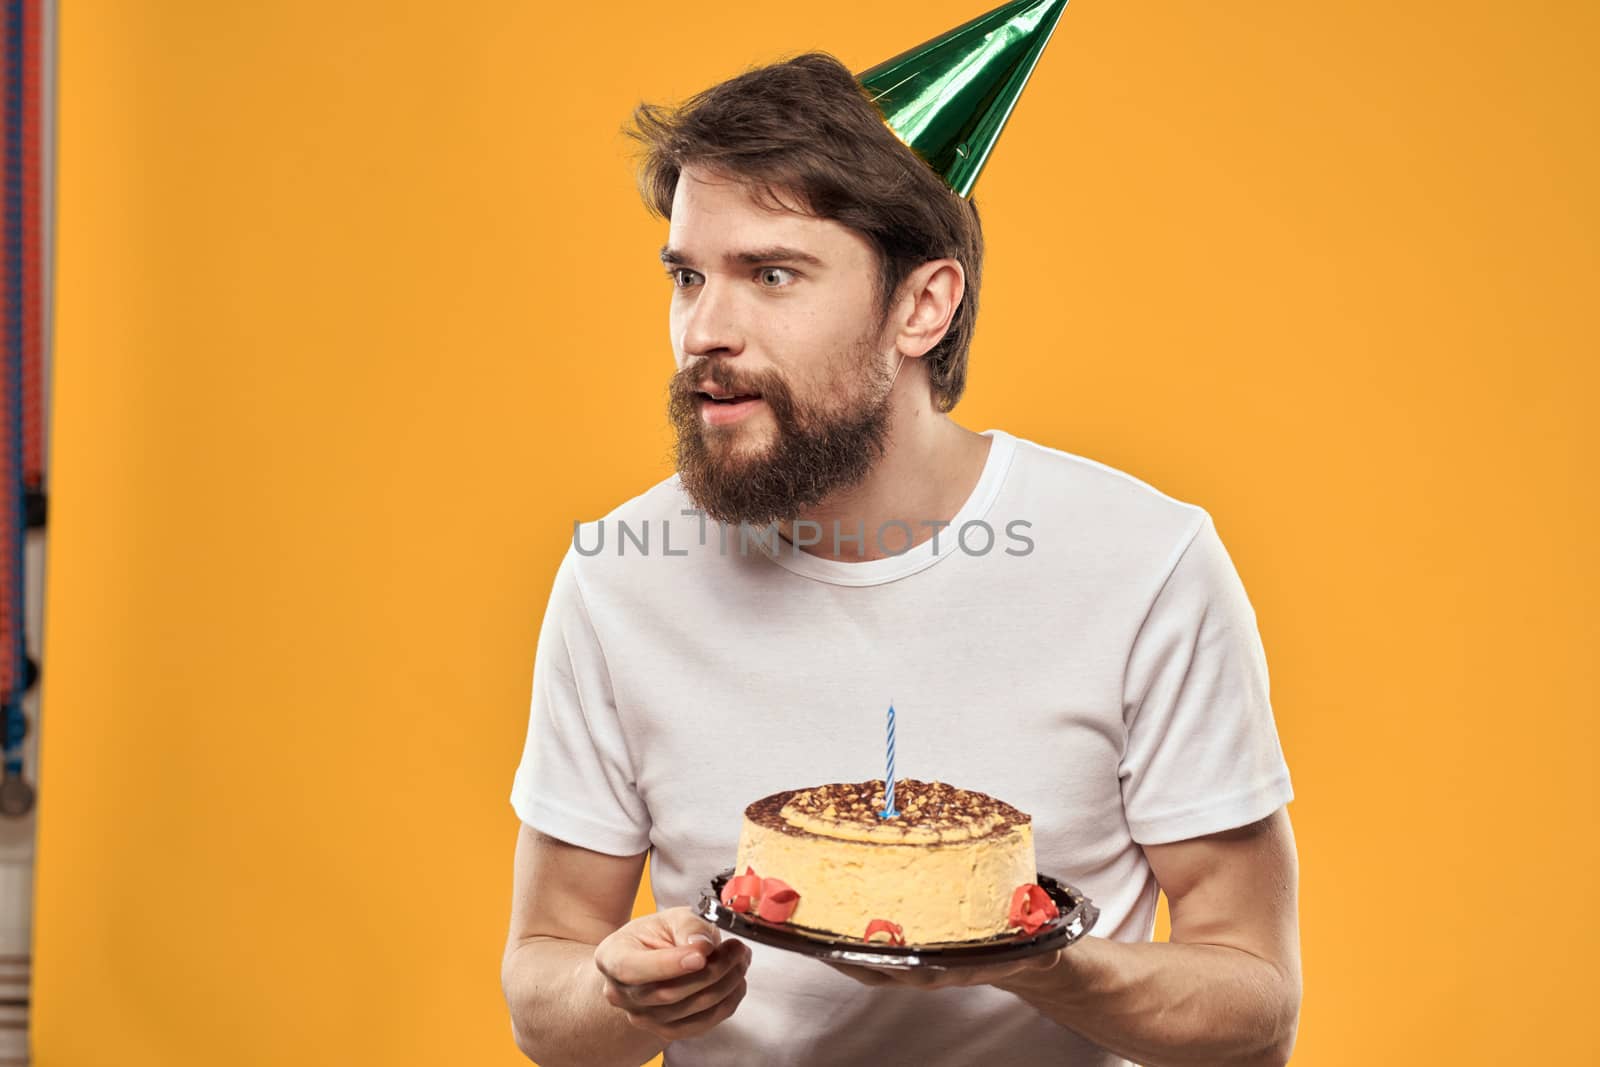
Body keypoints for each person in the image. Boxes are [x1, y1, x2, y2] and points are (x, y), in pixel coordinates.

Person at [500, 44, 1300, 1067]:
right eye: (687, 275)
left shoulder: (1143, 562)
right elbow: (544, 991)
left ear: (922, 306)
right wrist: (622, 990)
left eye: (772, 274)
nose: (704, 328)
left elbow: (1256, 1001)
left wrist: (1038, 959)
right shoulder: (617, 579)